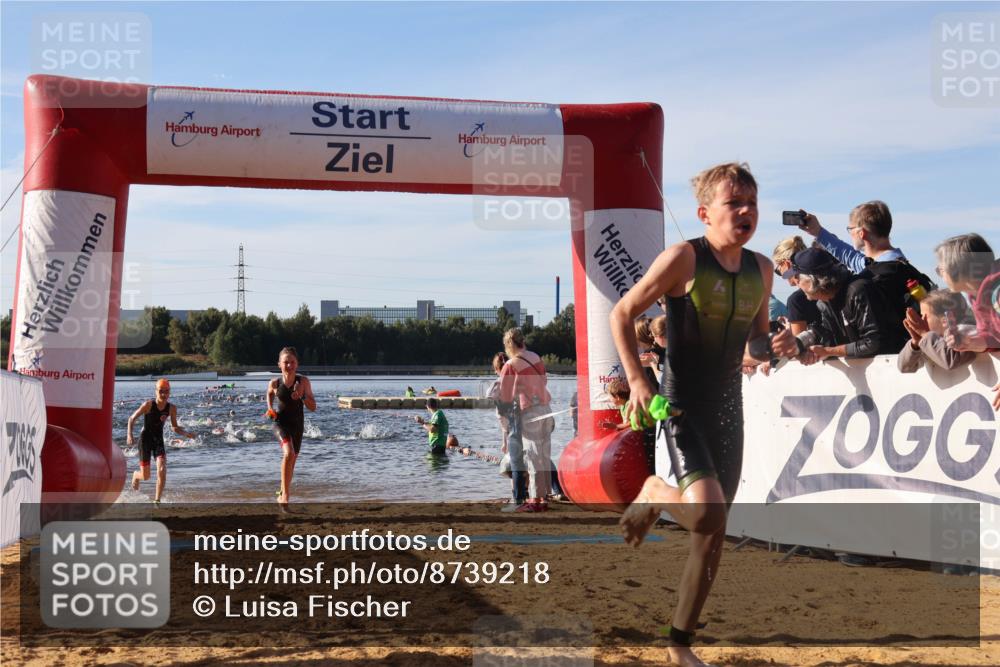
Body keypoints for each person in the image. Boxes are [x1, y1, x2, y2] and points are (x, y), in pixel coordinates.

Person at [611, 162, 800, 667]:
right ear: (704, 213)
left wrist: (779, 343)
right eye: (734, 204)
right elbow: (622, 313)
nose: (746, 213)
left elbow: (757, 342)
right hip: (679, 403)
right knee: (708, 515)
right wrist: (636, 380)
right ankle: (654, 490)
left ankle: (678, 642)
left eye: (752, 205)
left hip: (727, 406)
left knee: (713, 533)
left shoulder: (761, 268)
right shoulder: (683, 259)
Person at [785, 247, 901, 361]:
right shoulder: (825, 302)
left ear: (812, 279)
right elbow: (828, 334)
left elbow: (873, 342)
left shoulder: (857, 291)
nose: (796, 282)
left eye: (797, 277)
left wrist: (828, 352)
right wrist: (799, 343)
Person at [498, 327, 554, 513]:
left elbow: (504, 398)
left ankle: (535, 500)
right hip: (546, 408)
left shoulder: (510, 365)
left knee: (532, 456)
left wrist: (504, 424)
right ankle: (544, 497)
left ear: (509, 345)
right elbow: (544, 380)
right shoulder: (536, 357)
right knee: (544, 455)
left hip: (529, 413)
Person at [127, 379, 195, 505]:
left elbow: (175, 427)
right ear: (156, 391)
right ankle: (136, 475)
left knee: (162, 469)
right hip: (145, 440)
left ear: (169, 392)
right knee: (145, 476)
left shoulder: (171, 408)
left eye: (166, 391)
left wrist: (186, 433)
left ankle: (157, 500)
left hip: (158, 440)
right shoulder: (148, 405)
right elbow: (131, 419)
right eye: (161, 391)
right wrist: (129, 435)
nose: (164, 394)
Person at [266, 347, 317, 509]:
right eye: (286, 362)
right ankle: (286, 497)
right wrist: (270, 408)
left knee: (292, 460)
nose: (289, 365)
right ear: (279, 364)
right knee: (288, 453)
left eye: (292, 362)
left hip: (297, 424)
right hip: (280, 423)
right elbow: (269, 394)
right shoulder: (275, 383)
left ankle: (281, 492)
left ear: (297, 364)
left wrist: (301, 396)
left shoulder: (303, 382)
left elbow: (313, 407)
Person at [796, 200, 906, 273]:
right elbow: (851, 256)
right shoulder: (887, 264)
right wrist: (818, 231)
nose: (850, 233)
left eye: (850, 229)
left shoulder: (883, 272)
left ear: (861, 233)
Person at [934, 233, 1000, 351]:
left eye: (940, 270)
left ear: (957, 269)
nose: (939, 275)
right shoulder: (976, 297)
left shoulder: (997, 295)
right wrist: (971, 342)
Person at [898, 290, 977, 373]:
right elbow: (904, 368)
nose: (921, 320)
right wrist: (915, 344)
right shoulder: (930, 340)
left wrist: (925, 334)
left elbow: (951, 361)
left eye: (924, 316)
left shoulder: (965, 332)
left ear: (945, 320)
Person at [772, 235, 822, 336]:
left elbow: (799, 347)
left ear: (786, 264)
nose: (781, 275)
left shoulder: (796, 301)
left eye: (778, 271)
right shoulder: (827, 286)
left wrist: (787, 332)